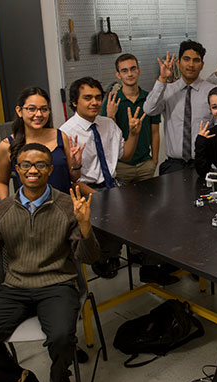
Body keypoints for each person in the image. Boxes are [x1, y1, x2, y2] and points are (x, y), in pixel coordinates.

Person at [0, 143, 100, 382]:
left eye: (39, 165)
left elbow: (90, 257)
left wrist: (85, 226)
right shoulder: (2, 210)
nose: (32, 170)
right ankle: (17, 381)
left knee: (61, 337)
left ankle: (61, 381)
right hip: (15, 288)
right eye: (25, 164)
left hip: (58, 284)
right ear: (17, 170)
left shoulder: (66, 205)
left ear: (50, 169)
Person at [60, 76, 146, 279]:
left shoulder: (108, 124)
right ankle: (103, 257)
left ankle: (132, 256)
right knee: (110, 215)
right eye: (87, 98)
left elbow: (126, 156)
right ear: (74, 102)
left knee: (146, 210)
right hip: (85, 189)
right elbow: (71, 180)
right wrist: (102, 194)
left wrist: (134, 134)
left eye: (98, 98)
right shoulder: (65, 133)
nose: (94, 103)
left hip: (112, 185)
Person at [143, 40, 217, 175]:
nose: (191, 64)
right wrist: (162, 79)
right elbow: (149, 109)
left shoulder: (211, 92)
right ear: (178, 62)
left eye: (196, 60)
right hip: (173, 165)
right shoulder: (168, 90)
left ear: (202, 65)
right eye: (186, 59)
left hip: (205, 163)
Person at [0, 87, 84, 199]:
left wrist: (76, 166)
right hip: (30, 209)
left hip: (63, 205)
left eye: (44, 109)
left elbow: (73, 178)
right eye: (31, 109)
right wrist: (7, 207)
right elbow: (2, 183)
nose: (38, 114)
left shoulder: (60, 136)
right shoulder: (7, 145)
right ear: (19, 111)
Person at [101, 54, 162, 184]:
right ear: (118, 75)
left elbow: (155, 131)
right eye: (124, 70)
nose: (130, 74)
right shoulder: (112, 101)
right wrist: (111, 116)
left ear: (139, 71)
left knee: (149, 201)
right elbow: (108, 135)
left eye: (133, 69)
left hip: (145, 163)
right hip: (121, 166)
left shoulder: (149, 99)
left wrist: (154, 160)